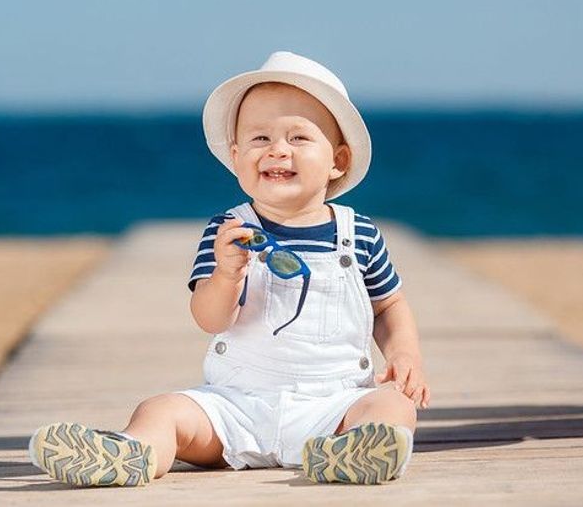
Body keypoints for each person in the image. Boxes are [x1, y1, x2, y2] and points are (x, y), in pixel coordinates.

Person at [29, 51, 430, 487]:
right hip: (235, 407)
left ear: (338, 159)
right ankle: (132, 452)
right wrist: (225, 276)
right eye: (260, 139)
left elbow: (389, 304)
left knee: (393, 407)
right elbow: (210, 319)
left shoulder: (360, 233)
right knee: (160, 410)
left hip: (332, 405)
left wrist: (403, 353)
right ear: (236, 156)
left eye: (298, 138)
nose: (277, 149)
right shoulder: (229, 231)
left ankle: (352, 451)